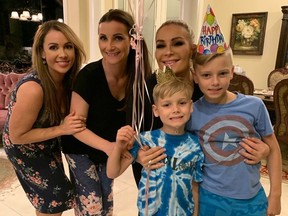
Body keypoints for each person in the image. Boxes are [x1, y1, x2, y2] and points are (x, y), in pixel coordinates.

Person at [133, 19, 271, 186]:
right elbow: (134, 136)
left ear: (192, 49)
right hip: (157, 183)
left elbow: (231, 128)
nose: (168, 52)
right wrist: (138, 154)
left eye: (177, 43)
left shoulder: (210, 89)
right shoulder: (145, 89)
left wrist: (264, 149)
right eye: (161, 45)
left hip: (204, 186)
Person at [186, 6, 282, 215]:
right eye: (206, 75)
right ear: (195, 76)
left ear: (232, 72)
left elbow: (273, 148)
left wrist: (275, 195)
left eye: (222, 73)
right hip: (209, 200)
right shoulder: (192, 112)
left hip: (251, 200)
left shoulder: (254, 106)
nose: (215, 82)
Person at [61, 9, 152, 215]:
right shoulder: (88, 77)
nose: (109, 46)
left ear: (132, 40)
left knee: (106, 203)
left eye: (118, 38)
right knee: (92, 207)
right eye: (103, 38)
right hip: (81, 149)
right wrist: (110, 147)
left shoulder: (139, 77)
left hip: (109, 150)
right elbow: (76, 128)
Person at [2, 20, 86, 216]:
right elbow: (17, 136)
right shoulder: (33, 88)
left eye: (68, 46)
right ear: (42, 53)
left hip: (46, 142)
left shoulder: (68, 81)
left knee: (49, 198)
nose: (63, 54)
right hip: (23, 147)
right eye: (53, 47)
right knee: (54, 197)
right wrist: (62, 129)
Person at [107, 74, 204, 216]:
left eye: (182, 103)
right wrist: (118, 147)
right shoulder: (145, 140)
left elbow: (195, 185)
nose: (175, 109)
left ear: (191, 106)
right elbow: (112, 172)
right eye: (167, 105)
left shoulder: (195, 144)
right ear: (156, 110)